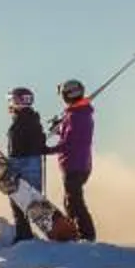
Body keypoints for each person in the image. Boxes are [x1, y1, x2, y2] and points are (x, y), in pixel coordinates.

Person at [50, 78, 97, 242]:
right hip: (79, 163)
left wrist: (47, 149)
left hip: (75, 164)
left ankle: (86, 235)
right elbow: (72, 136)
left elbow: (69, 143)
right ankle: (75, 232)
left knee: (75, 202)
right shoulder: (78, 114)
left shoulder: (77, 116)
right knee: (71, 201)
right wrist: (60, 129)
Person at [4, 89, 50, 242]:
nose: (20, 103)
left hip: (23, 162)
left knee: (19, 199)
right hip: (31, 161)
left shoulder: (24, 119)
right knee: (26, 199)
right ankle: (24, 233)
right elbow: (39, 140)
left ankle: (23, 235)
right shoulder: (31, 118)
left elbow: (25, 143)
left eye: (24, 100)